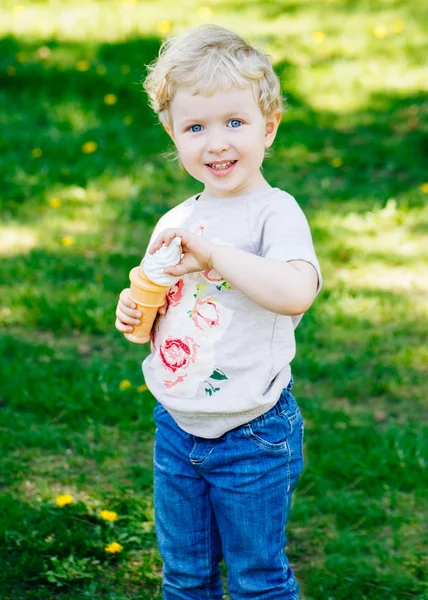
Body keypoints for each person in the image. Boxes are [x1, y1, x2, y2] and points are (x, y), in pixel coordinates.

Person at [115, 23, 322, 600]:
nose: (217, 143)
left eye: (235, 122)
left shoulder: (274, 214)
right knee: (184, 576)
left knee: (258, 579)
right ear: (173, 133)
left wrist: (216, 255)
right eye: (196, 127)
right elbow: (158, 308)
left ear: (269, 127)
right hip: (177, 426)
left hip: (251, 431)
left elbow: (295, 292)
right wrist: (136, 312)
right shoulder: (174, 221)